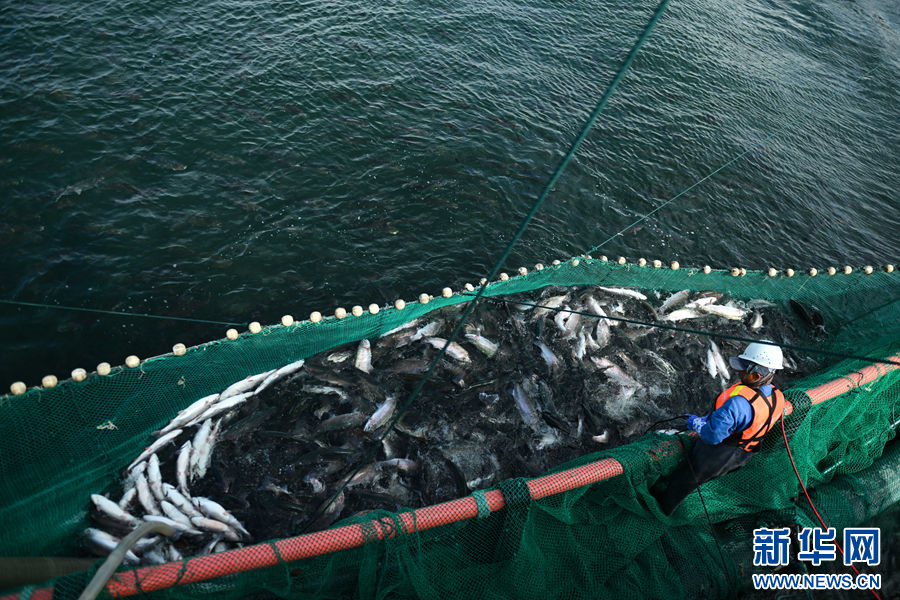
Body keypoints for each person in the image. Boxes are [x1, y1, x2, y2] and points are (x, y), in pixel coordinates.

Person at [652, 341, 791, 516]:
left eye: (743, 368)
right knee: (712, 478)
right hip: (745, 454)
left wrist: (695, 423)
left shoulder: (737, 404)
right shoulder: (778, 397)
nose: (738, 371)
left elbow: (711, 436)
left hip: (716, 455)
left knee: (686, 481)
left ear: (756, 376)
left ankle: (664, 510)